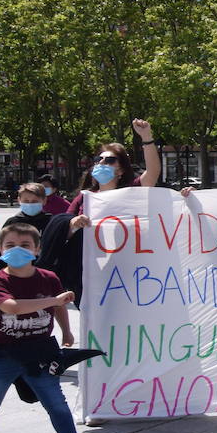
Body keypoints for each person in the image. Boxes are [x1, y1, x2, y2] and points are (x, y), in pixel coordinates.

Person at [0, 223, 105, 433]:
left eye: (25, 245)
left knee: (56, 403)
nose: (17, 249)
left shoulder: (48, 278)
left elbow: (59, 306)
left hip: (40, 352)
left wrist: (66, 330)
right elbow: (12, 307)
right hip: (2, 353)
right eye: (10, 245)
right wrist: (54, 300)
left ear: (37, 249)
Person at [42, 119, 162, 303]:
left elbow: (153, 172)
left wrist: (146, 138)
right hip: (89, 270)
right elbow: (64, 228)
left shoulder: (132, 191)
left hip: (127, 267)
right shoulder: (84, 197)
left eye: (110, 160)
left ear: (121, 169)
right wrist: (73, 224)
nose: (102, 162)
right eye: (99, 159)